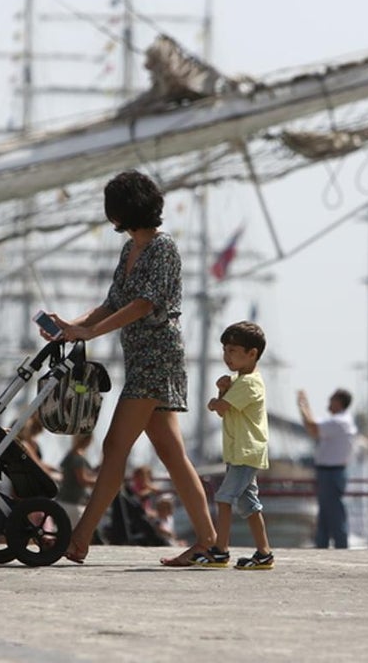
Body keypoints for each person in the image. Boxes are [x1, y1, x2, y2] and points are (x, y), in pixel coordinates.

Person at [41, 170, 217, 565]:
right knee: (172, 455)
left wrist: (90, 333)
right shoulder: (130, 250)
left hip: (157, 358)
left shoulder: (162, 248)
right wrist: (74, 327)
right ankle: (209, 541)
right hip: (139, 356)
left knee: (115, 446)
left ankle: (79, 539)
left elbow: (142, 304)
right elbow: (112, 302)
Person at [206, 320, 273, 570]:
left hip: (246, 451)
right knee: (249, 504)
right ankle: (264, 553)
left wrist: (216, 399)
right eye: (225, 350)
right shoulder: (240, 381)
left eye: (233, 351)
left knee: (224, 497)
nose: (227, 357)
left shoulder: (249, 383)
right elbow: (227, 412)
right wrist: (224, 391)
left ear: (252, 353)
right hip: (240, 452)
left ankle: (220, 550)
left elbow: (221, 408)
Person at [297, 387, 357, 549]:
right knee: (324, 514)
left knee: (335, 515)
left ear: (339, 402)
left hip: (332, 473)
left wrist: (302, 405)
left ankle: (341, 547)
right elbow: (313, 428)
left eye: (332, 399)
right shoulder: (339, 421)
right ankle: (322, 546)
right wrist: (305, 406)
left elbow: (312, 426)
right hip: (328, 473)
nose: (328, 403)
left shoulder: (339, 421)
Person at [56, 433, 97, 526]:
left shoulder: (71, 455)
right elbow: (82, 480)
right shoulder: (77, 457)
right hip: (72, 503)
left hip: (64, 500)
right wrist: (100, 483)